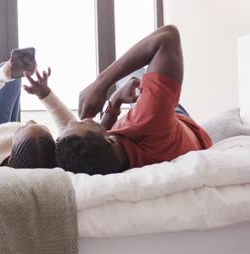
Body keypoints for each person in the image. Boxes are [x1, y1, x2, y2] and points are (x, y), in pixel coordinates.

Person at [56, 25, 213, 175]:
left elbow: (101, 137)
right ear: (110, 139)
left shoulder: (108, 162)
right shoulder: (148, 119)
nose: (71, 121)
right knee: (129, 74)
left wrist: (115, 101)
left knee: (128, 82)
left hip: (163, 134)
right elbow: (168, 37)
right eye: (81, 123)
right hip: (179, 122)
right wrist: (100, 84)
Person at [0, 58, 75, 168]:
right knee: (15, 74)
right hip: (8, 142)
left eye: (22, 127)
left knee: (7, 71)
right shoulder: (53, 161)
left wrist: (0, 77)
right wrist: (45, 94)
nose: (30, 121)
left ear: (11, 155)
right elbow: (71, 130)